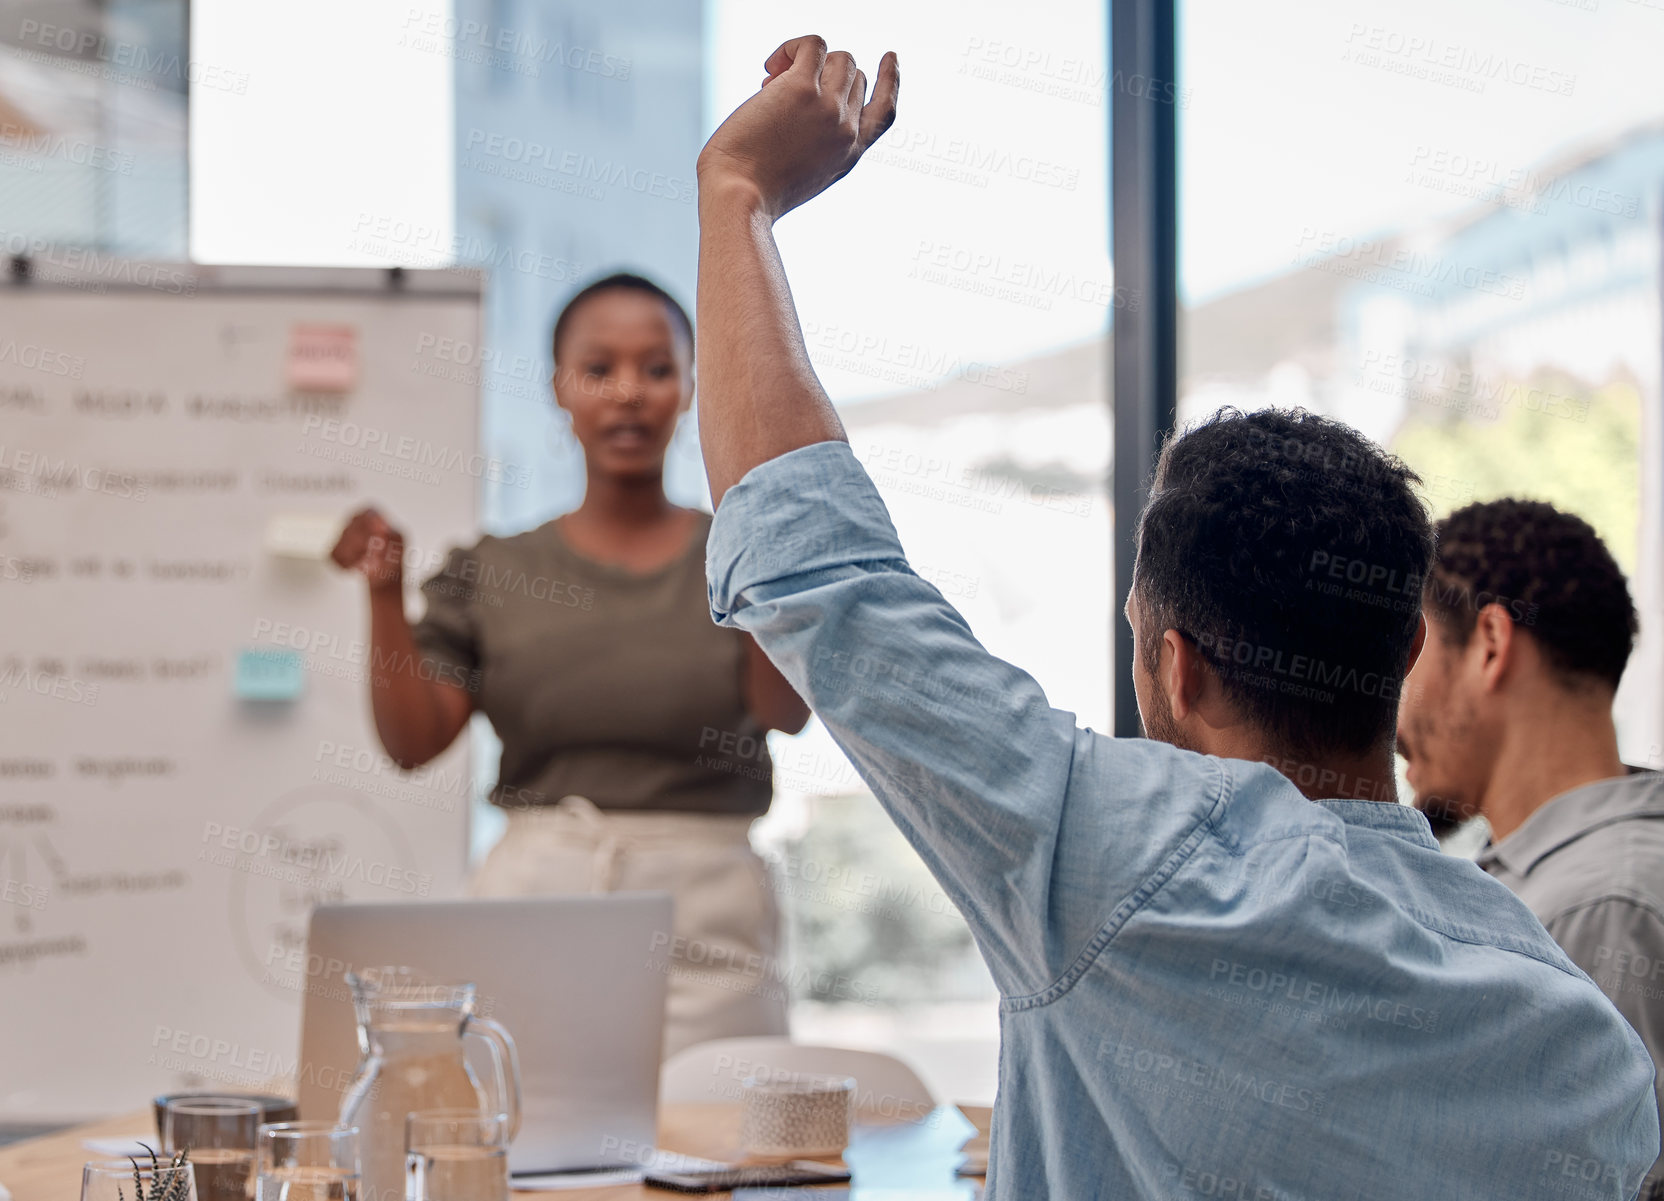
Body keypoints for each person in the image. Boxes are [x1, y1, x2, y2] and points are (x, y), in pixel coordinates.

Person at [690, 34, 1659, 1198]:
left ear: (1174, 669)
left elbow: (817, 561)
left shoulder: (1103, 857)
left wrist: (737, 194)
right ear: (1405, 651)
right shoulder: (1585, 1048)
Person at [330, 272, 810, 1058]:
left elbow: (787, 711)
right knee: (530, 1148)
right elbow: (413, 744)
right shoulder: (493, 571)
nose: (629, 392)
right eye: (599, 369)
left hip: (708, 919)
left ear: (692, 388)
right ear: (559, 386)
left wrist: (754, 539)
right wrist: (384, 594)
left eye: (658, 369)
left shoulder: (734, 551)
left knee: (726, 1155)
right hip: (536, 906)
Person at [1399, 498, 1664, 1199]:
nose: (1390, 701)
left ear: (1490, 641)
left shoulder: (1595, 905)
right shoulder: (1581, 875)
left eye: (1411, 649)